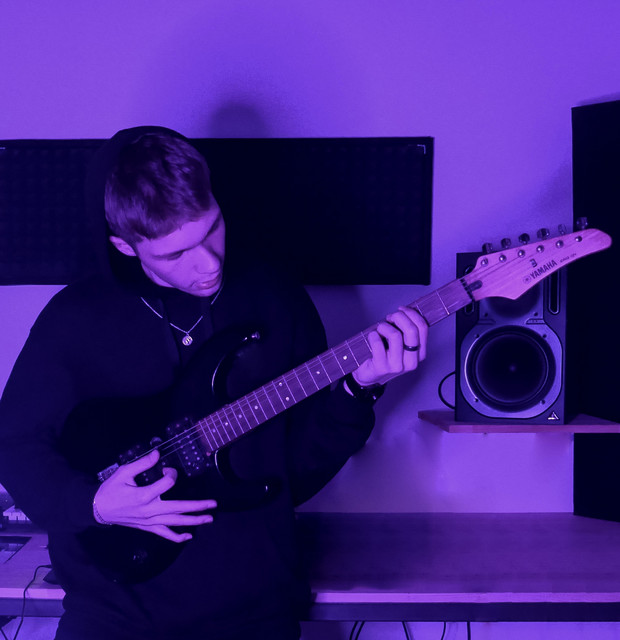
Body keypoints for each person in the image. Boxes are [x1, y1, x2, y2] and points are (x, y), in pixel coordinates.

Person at [0, 126, 428, 640]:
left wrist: (359, 390)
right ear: (124, 246)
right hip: (113, 617)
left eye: (212, 230)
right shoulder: (74, 319)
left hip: (253, 614)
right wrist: (90, 504)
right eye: (175, 254)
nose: (208, 263)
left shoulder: (274, 297)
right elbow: (14, 445)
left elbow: (297, 470)